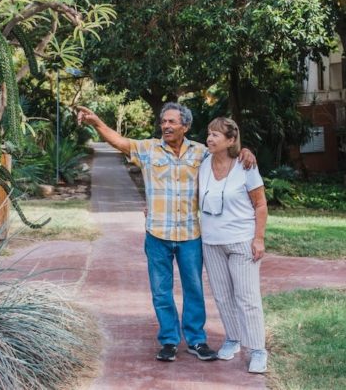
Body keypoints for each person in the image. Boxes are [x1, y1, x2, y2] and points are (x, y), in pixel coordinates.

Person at [76, 103, 255, 363]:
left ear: (185, 126)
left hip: (190, 235)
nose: (166, 126)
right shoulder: (149, 149)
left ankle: (196, 340)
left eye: (172, 122)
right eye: (163, 122)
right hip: (157, 234)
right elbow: (120, 142)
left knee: (193, 289)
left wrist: (245, 151)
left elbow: (226, 155)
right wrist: (97, 123)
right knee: (161, 291)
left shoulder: (201, 153)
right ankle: (169, 340)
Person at [199, 117, 268, 373]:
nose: (209, 138)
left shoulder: (245, 165)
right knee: (223, 296)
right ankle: (233, 339)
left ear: (230, 140)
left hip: (241, 241)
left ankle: (257, 349)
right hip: (211, 242)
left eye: (216, 135)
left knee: (247, 297)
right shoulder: (202, 163)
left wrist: (258, 238)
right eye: (208, 134)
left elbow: (260, 204)